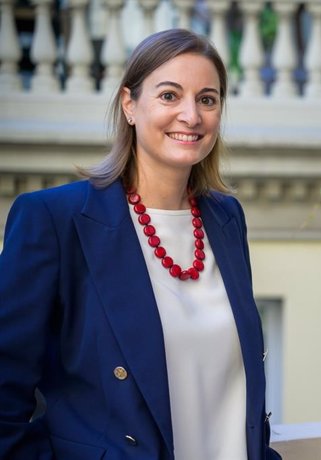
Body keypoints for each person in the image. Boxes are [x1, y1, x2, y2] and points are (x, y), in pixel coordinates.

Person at [0, 29, 280, 460]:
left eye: (207, 99)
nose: (191, 115)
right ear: (129, 105)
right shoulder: (54, 221)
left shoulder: (226, 219)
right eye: (169, 96)